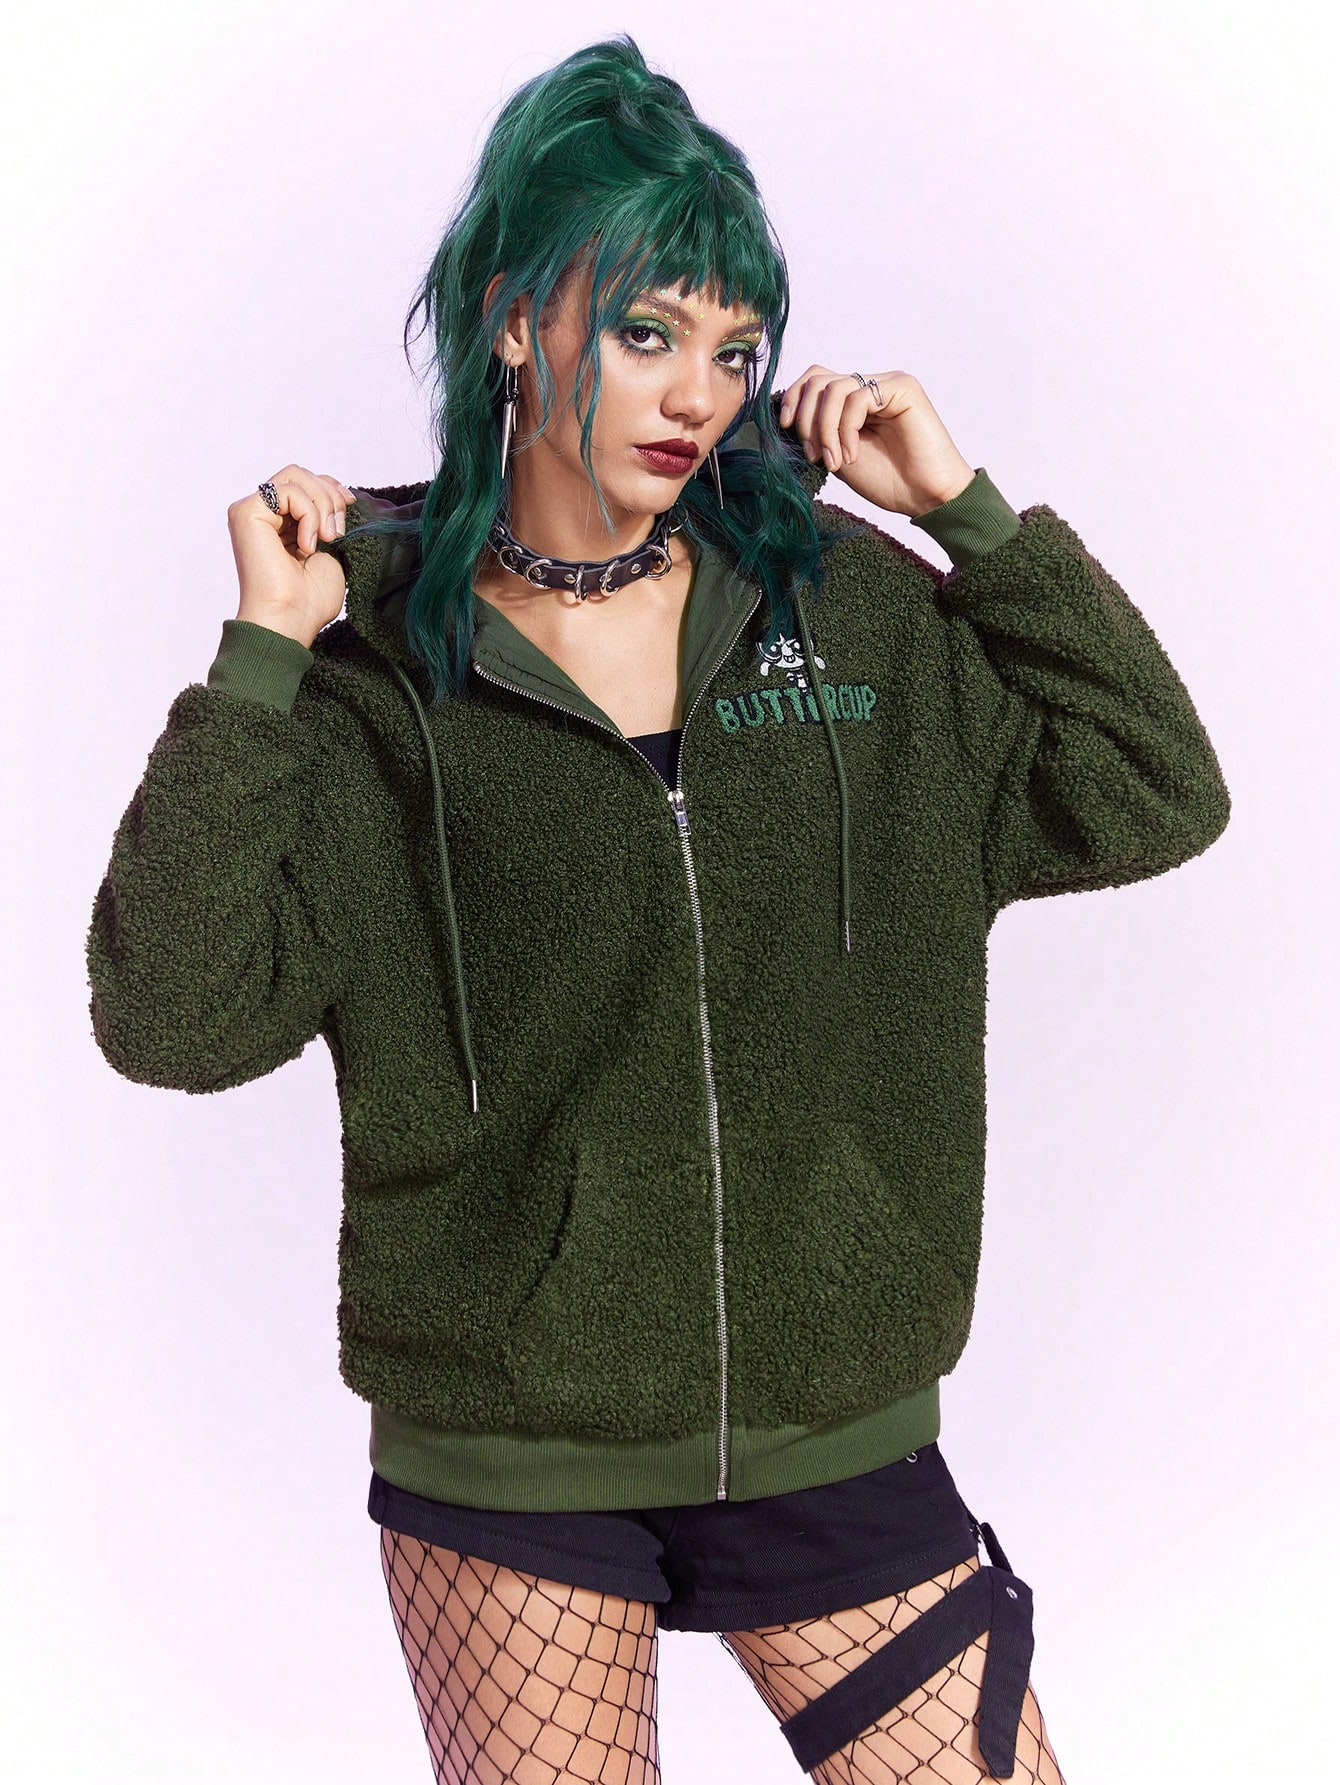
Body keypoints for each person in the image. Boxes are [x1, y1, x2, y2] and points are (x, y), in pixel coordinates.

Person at [85, 33, 1231, 1785]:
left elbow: (1156, 786)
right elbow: (172, 1016)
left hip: (836, 1420)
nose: (697, 392)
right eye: (645, 332)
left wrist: (967, 514)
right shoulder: (375, 660)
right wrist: (260, 661)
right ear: (513, 322)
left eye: (734, 347)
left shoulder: (845, 609)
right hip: (512, 1447)